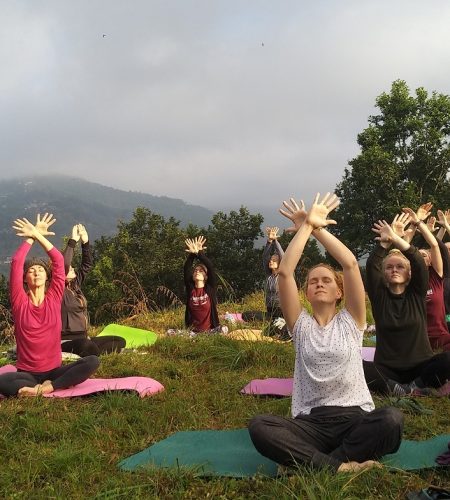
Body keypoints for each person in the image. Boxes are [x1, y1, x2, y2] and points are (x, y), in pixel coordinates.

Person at [249, 194, 403, 473]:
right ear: (306, 292)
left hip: (355, 417)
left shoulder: (352, 321)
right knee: (259, 426)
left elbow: (350, 264)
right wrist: (306, 226)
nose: (319, 284)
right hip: (312, 422)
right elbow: (285, 273)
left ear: (339, 291)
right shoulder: (300, 325)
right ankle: (342, 466)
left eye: (326, 280)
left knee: (391, 419)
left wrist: (317, 228)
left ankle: (314, 462)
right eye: (313, 282)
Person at [0, 214, 99, 397]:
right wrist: (31, 237)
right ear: (25, 278)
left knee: (92, 361)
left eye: (40, 270)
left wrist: (38, 235)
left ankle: (47, 388)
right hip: (26, 373)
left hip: (54, 371)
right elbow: (16, 263)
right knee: (2, 381)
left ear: (47, 277)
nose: (36, 272)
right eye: (31, 270)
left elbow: (59, 262)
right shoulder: (19, 301)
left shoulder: (54, 297)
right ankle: (40, 387)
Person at [363, 208, 450, 396]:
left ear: (409, 273)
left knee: (447, 360)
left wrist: (396, 238)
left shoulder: (417, 294)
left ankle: (411, 386)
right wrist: (384, 243)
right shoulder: (379, 297)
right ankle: (403, 388)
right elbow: (372, 266)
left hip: (420, 366)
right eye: (389, 267)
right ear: (383, 273)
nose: (394, 269)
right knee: (356, 365)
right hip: (387, 369)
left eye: (400, 266)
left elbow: (418, 260)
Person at [61, 224, 125, 356]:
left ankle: (91, 350)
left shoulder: (75, 286)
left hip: (83, 337)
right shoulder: (57, 290)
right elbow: (64, 265)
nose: (72, 268)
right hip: (65, 340)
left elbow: (86, 265)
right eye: (70, 268)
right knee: (87, 346)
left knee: (119, 340)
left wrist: (85, 243)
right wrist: (73, 241)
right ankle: (91, 351)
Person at [177, 236, 227, 336]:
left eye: (201, 270)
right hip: (193, 333)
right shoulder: (191, 289)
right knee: (170, 332)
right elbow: (186, 268)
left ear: (206, 276)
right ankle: (195, 338)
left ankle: (206, 338)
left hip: (210, 331)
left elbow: (210, 267)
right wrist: (192, 254)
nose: (197, 271)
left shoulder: (209, 289)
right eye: (195, 270)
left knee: (224, 329)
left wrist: (199, 253)